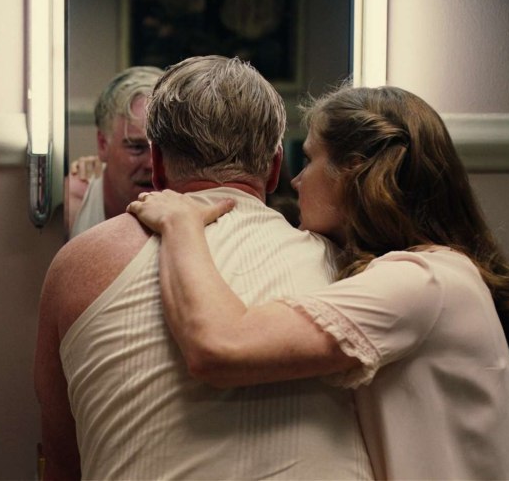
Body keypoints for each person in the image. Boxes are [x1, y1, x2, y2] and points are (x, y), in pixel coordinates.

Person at [127, 84, 509, 480]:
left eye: (309, 159)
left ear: (353, 170)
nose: (296, 180)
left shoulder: (423, 282)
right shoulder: (442, 274)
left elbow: (222, 347)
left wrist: (181, 223)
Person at [34, 56, 373, 480]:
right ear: (273, 169)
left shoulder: (79, 263)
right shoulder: (349, 268)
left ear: (157, 165)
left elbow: (62, 460)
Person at [63, 66, 163, 238]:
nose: (152, 164)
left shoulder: (192, 200)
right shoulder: (72, 205)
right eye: (136, 147)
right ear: (103, 144)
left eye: (163, 147)